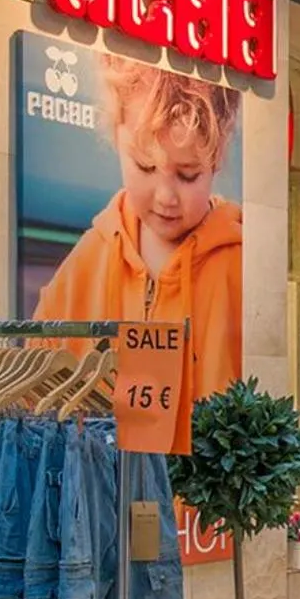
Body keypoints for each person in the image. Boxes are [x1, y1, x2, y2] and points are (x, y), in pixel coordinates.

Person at [35, 55, 244, 407]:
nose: (166, 197)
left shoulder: (239, 268)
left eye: (188, 175)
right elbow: (36, 384)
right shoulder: (86, 261)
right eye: (145, 166)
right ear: (117, 139)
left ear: (217, 158)